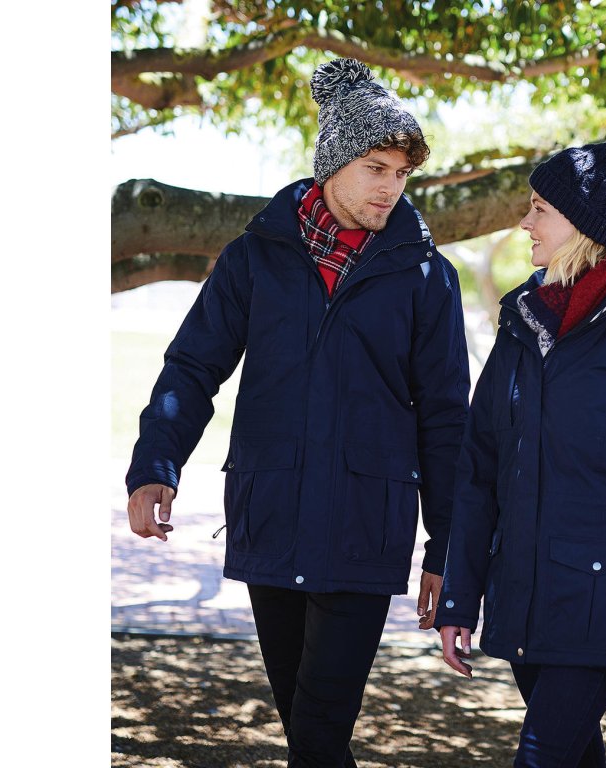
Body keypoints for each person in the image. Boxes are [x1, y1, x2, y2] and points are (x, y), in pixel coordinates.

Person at [125, 57, 470, 768]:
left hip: (365, 530)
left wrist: (447, 548)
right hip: (272, 516)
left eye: (401, 174)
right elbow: (193, 367)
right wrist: (156, 461)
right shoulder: (254, 258)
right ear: (334, 163)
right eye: (376, 168)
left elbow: (445, 418)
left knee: (316, 732)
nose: (390, 187)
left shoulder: (426, 276)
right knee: (311, 735)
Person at [433, 141, 606, 767]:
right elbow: (478, 473)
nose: (524, 222)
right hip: (522, 598)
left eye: (540, 209)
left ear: (582, 225)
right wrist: (459, 600)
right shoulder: (519, 328)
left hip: (601, 607)